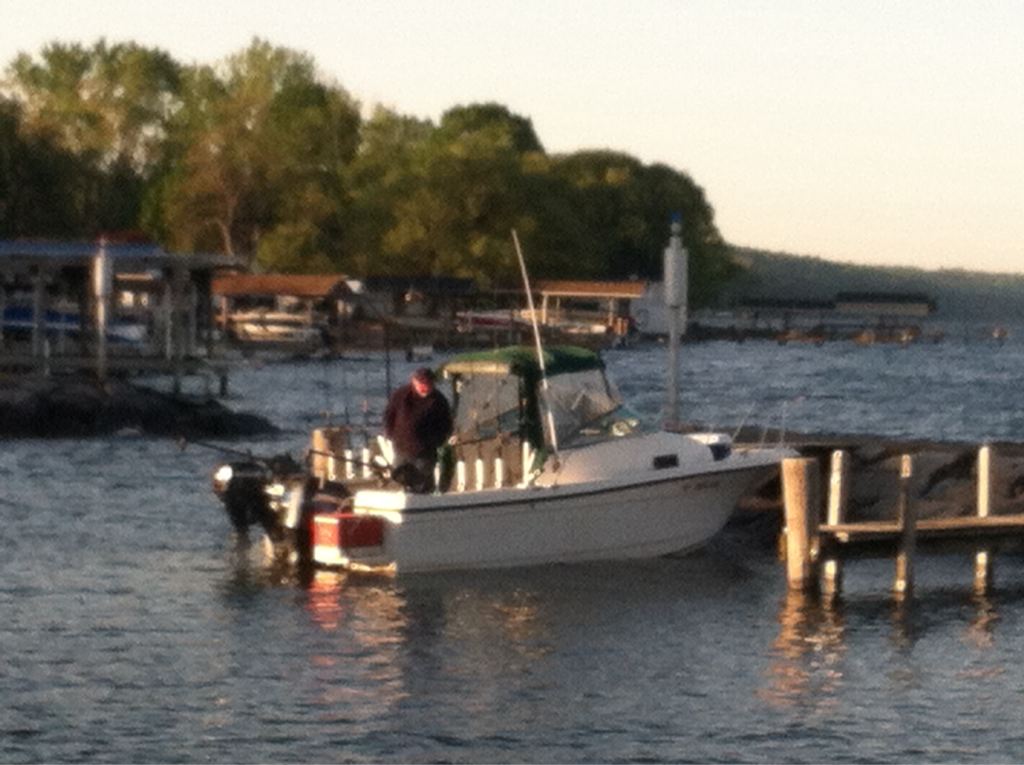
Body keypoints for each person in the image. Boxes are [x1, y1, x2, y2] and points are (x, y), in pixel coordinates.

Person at [383, 367, 453, 492]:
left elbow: (446, 425)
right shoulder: (401, 395)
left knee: (421, 484)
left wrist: (436, 441)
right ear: (414, 382)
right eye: (422, 383)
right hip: (401, 448)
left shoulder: (439, 400)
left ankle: (424, 498)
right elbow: (389, 415)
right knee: (399, 481)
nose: (425, 387)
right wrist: (389, 434)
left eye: (429, 384)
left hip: (425, 452)